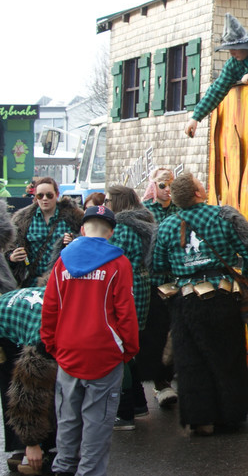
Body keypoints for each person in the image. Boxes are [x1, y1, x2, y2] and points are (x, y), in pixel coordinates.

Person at [152, 172, 248, 435]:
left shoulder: (166, 225)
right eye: (200, 185)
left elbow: (157, 264)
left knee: (190, 360)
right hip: (222, 297)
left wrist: (183, 270)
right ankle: (229, 416)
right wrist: (247, 275)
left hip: (185, 300)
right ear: (198, 193)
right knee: (227, 356)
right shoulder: (224, 216)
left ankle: (200, 418)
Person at [41, 204, 138, 476]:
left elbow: (50, 308)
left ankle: (63, 467)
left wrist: (52, 344)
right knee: (98, 422)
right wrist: (128, 349)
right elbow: (126, 312)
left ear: (82, 230)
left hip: (68, 350)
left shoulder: (62, 261)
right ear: (111, 232)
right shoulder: (119, 263)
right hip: (105, 352)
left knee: (67, 417)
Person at [104, 185, 157, 430]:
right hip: (141, 286)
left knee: (119, 349)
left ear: (118, 202)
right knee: (128, 348)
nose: (105, 204)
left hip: (127, 289)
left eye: (107, 200)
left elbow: (112, 258)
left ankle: (124, 412)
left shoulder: (123, 227)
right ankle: (138, 404)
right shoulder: (141, 222)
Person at [0, 287, 57, 476]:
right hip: (11, 327)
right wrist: (32, 442)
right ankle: (28, 449)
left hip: (22, 316)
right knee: (24, 382)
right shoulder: (43, 338)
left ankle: (46, 443)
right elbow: (27, 391)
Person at [137, 168, 178, 408]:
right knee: (154, 332)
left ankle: (165, 380)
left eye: (171, 184)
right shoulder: (145, 212)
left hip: (175, 281)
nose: (167, 189)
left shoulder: (179, 210)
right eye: (162, 185)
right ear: (153, 186)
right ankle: (156, 381)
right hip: (152, 282)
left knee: (172, 333)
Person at [6, 177, 83, 288]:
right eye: (40, 196)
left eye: (49, 195)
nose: (45, 199)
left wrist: (73, 241)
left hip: (63, 281)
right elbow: (8, 248)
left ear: (57, 195)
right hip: (31, 283)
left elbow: (85, 244)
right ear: (35, 197)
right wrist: (12, 257)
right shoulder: (22, 219)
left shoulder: (74, 217)